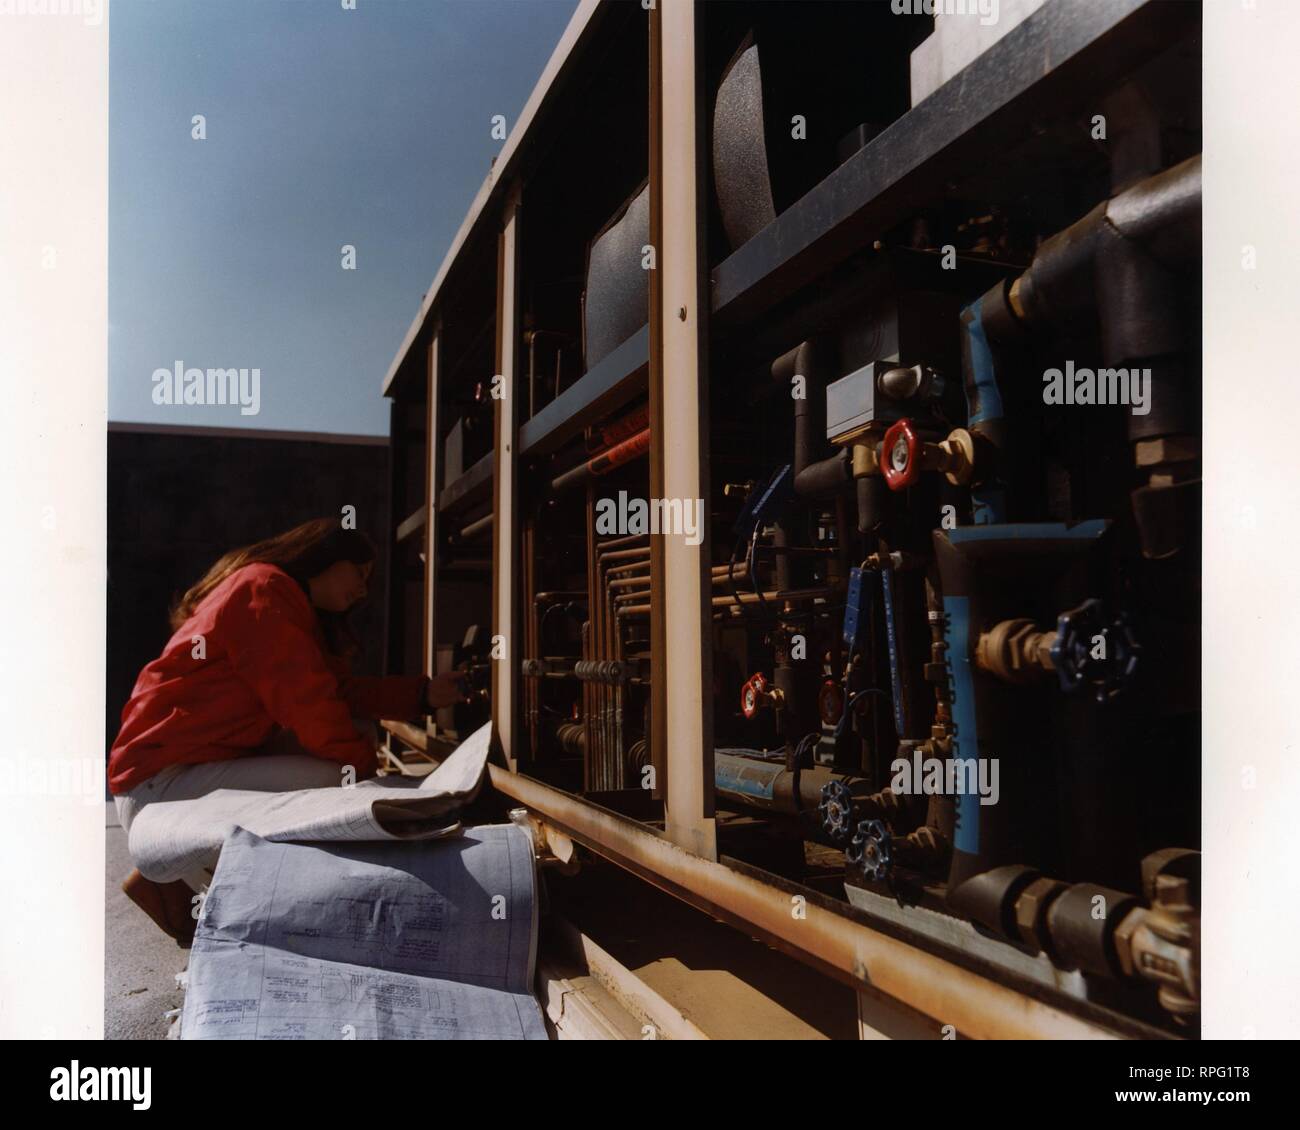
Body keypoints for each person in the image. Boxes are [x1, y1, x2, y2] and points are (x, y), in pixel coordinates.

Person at [108, 517, 469, 942]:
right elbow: (308, 705)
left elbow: (338, 694)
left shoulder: (282, 601)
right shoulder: (263, 589)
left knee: (349, 746)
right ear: (325, 557)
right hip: (158, 786)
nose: (364, 590)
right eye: (360, 573)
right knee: (337, 779)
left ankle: (178, 876)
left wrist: (424, 695)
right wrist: (368, 783)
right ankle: (181, 874)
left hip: (178, 773)